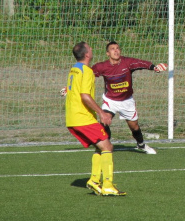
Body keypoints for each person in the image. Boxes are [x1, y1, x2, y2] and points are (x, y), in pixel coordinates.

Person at [65, 42, 125, 196]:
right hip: (82, 118)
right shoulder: (86, 71)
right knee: (107, 147)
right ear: (87, 54)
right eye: (90, 48)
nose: (92, 50)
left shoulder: (74, 69)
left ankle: (93, 180)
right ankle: (108, 185)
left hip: (72, 117)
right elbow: (85, 96)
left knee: (100, 146)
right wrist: (101, 113)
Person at [91, 41, 167, 155]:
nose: (116, 51)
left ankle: (141, 145)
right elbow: (85, 75)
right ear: (107, 53)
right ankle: (106, 145)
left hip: (127, 101)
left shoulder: (127, 62)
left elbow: (141, 63)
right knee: (104, 121)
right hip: (110, 101)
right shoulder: (101, 66)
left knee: (134, 127)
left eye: (117, 48)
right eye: (112, 49)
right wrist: (70, 88)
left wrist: (154, 67)